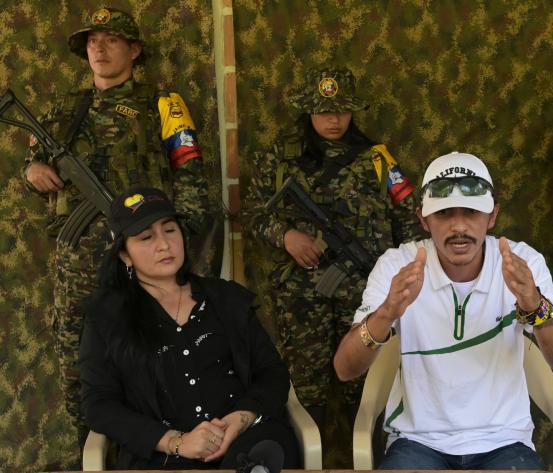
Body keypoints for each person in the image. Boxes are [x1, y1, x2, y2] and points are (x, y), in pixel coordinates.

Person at [22, 6, 208, 442]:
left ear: (135, 50)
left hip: (145, 257)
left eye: (111, 40)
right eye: (92, 41)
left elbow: (191, 175)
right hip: (78, 258)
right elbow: (34, 163)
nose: (99, 49)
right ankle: (89, 448)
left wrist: (177, 248)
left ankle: (159, 449)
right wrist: (33, 172)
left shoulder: (162, 104)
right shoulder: (65, 108)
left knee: (153, 351)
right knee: (76, 353)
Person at [333, 151, 553, 470]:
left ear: (492, 216)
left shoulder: (522, 263)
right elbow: (344, 369)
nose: (459, 226)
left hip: (504, 442)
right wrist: (387, 312)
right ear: (423, 219)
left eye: (471, 212)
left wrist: (535, 306)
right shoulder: (399, 265)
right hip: (417, 443)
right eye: (444, 213)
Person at [241, 66, 424, 441]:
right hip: (302, 294)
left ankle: (374, 461)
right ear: (309, 110)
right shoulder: (280, 156)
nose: (334, 119)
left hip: (367, 293)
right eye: (325, 110)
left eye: (341, 110)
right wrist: (286, 235)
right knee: (306, 390)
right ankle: (308, 461)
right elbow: (252, 213)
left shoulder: (377, 158)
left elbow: (408, 218)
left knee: (371, 384)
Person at [79, 186, 298, 469]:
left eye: (170, 230)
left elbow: (272, 374)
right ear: (125, 255)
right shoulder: (107, 318)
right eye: (146, 237)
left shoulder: (227, 299)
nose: (164, 244)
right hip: (163, 457)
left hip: (244, 444)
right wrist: (176, 441)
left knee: (265, 452)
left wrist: (240, 419)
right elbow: (98, 405)